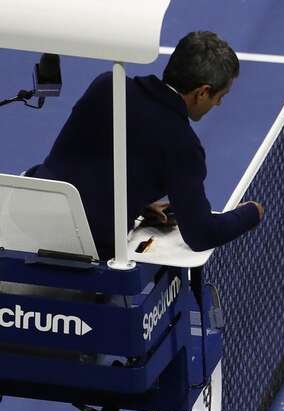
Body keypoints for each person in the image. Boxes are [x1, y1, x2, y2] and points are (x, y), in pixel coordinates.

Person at [26, 31, 264, 260]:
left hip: (28, 216)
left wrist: (135, 201)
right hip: (87, 247)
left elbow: (90, 163)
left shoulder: (107, 85)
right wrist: (251, 213)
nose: (219, 104)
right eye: (220, 96)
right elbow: (202, 234)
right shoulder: (183, 144)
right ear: (202, 92)